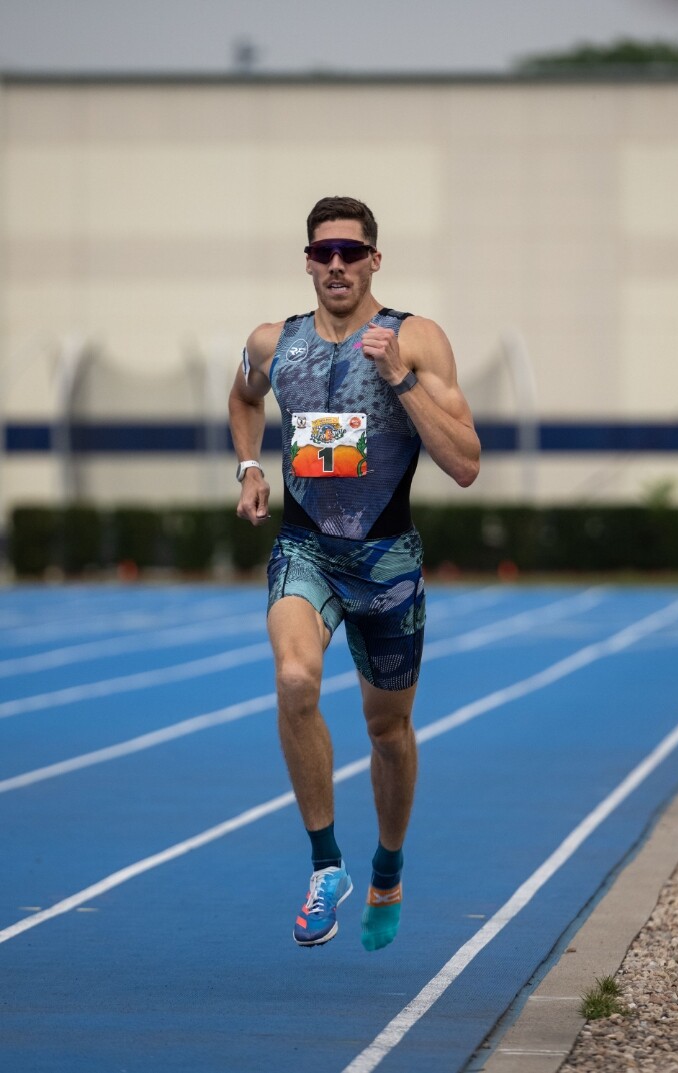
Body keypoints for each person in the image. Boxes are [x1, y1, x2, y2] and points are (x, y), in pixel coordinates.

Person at [229, 195, 480, 951]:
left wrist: (400, 378)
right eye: (323, 252)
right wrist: (248, 466)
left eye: (349, 252)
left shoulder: (417, 338)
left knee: (388, 731)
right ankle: (325, 865)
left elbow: (465, 463)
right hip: (305, 550)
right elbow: (243, 395)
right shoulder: (273, 342)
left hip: (387, 563)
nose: (336, 264)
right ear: (307, 261)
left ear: (374, 258)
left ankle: (388, 868)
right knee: (294, 679)